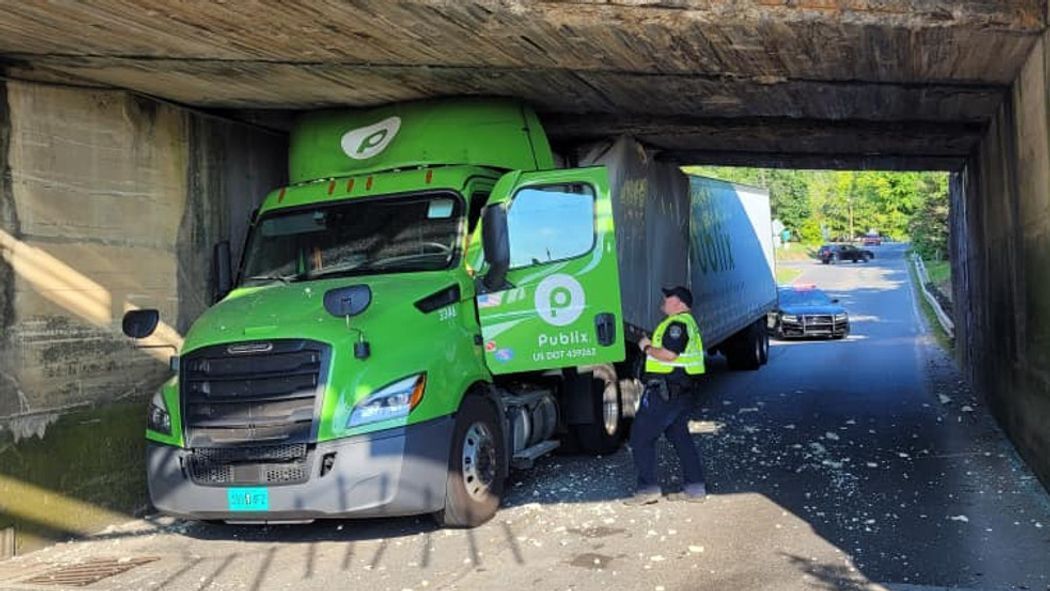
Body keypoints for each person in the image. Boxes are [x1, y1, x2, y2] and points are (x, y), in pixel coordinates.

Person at [625, 286, 707, 505]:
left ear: (679, 303)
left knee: (640, 437)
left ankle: (647, 489)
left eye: (668, 297)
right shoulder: (684, 323)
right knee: (679, 436)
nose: (664, 300)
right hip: (679, 391)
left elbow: (669, 355)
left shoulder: (678, 325)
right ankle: (695, 487)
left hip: (666, 391)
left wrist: (646, 348)